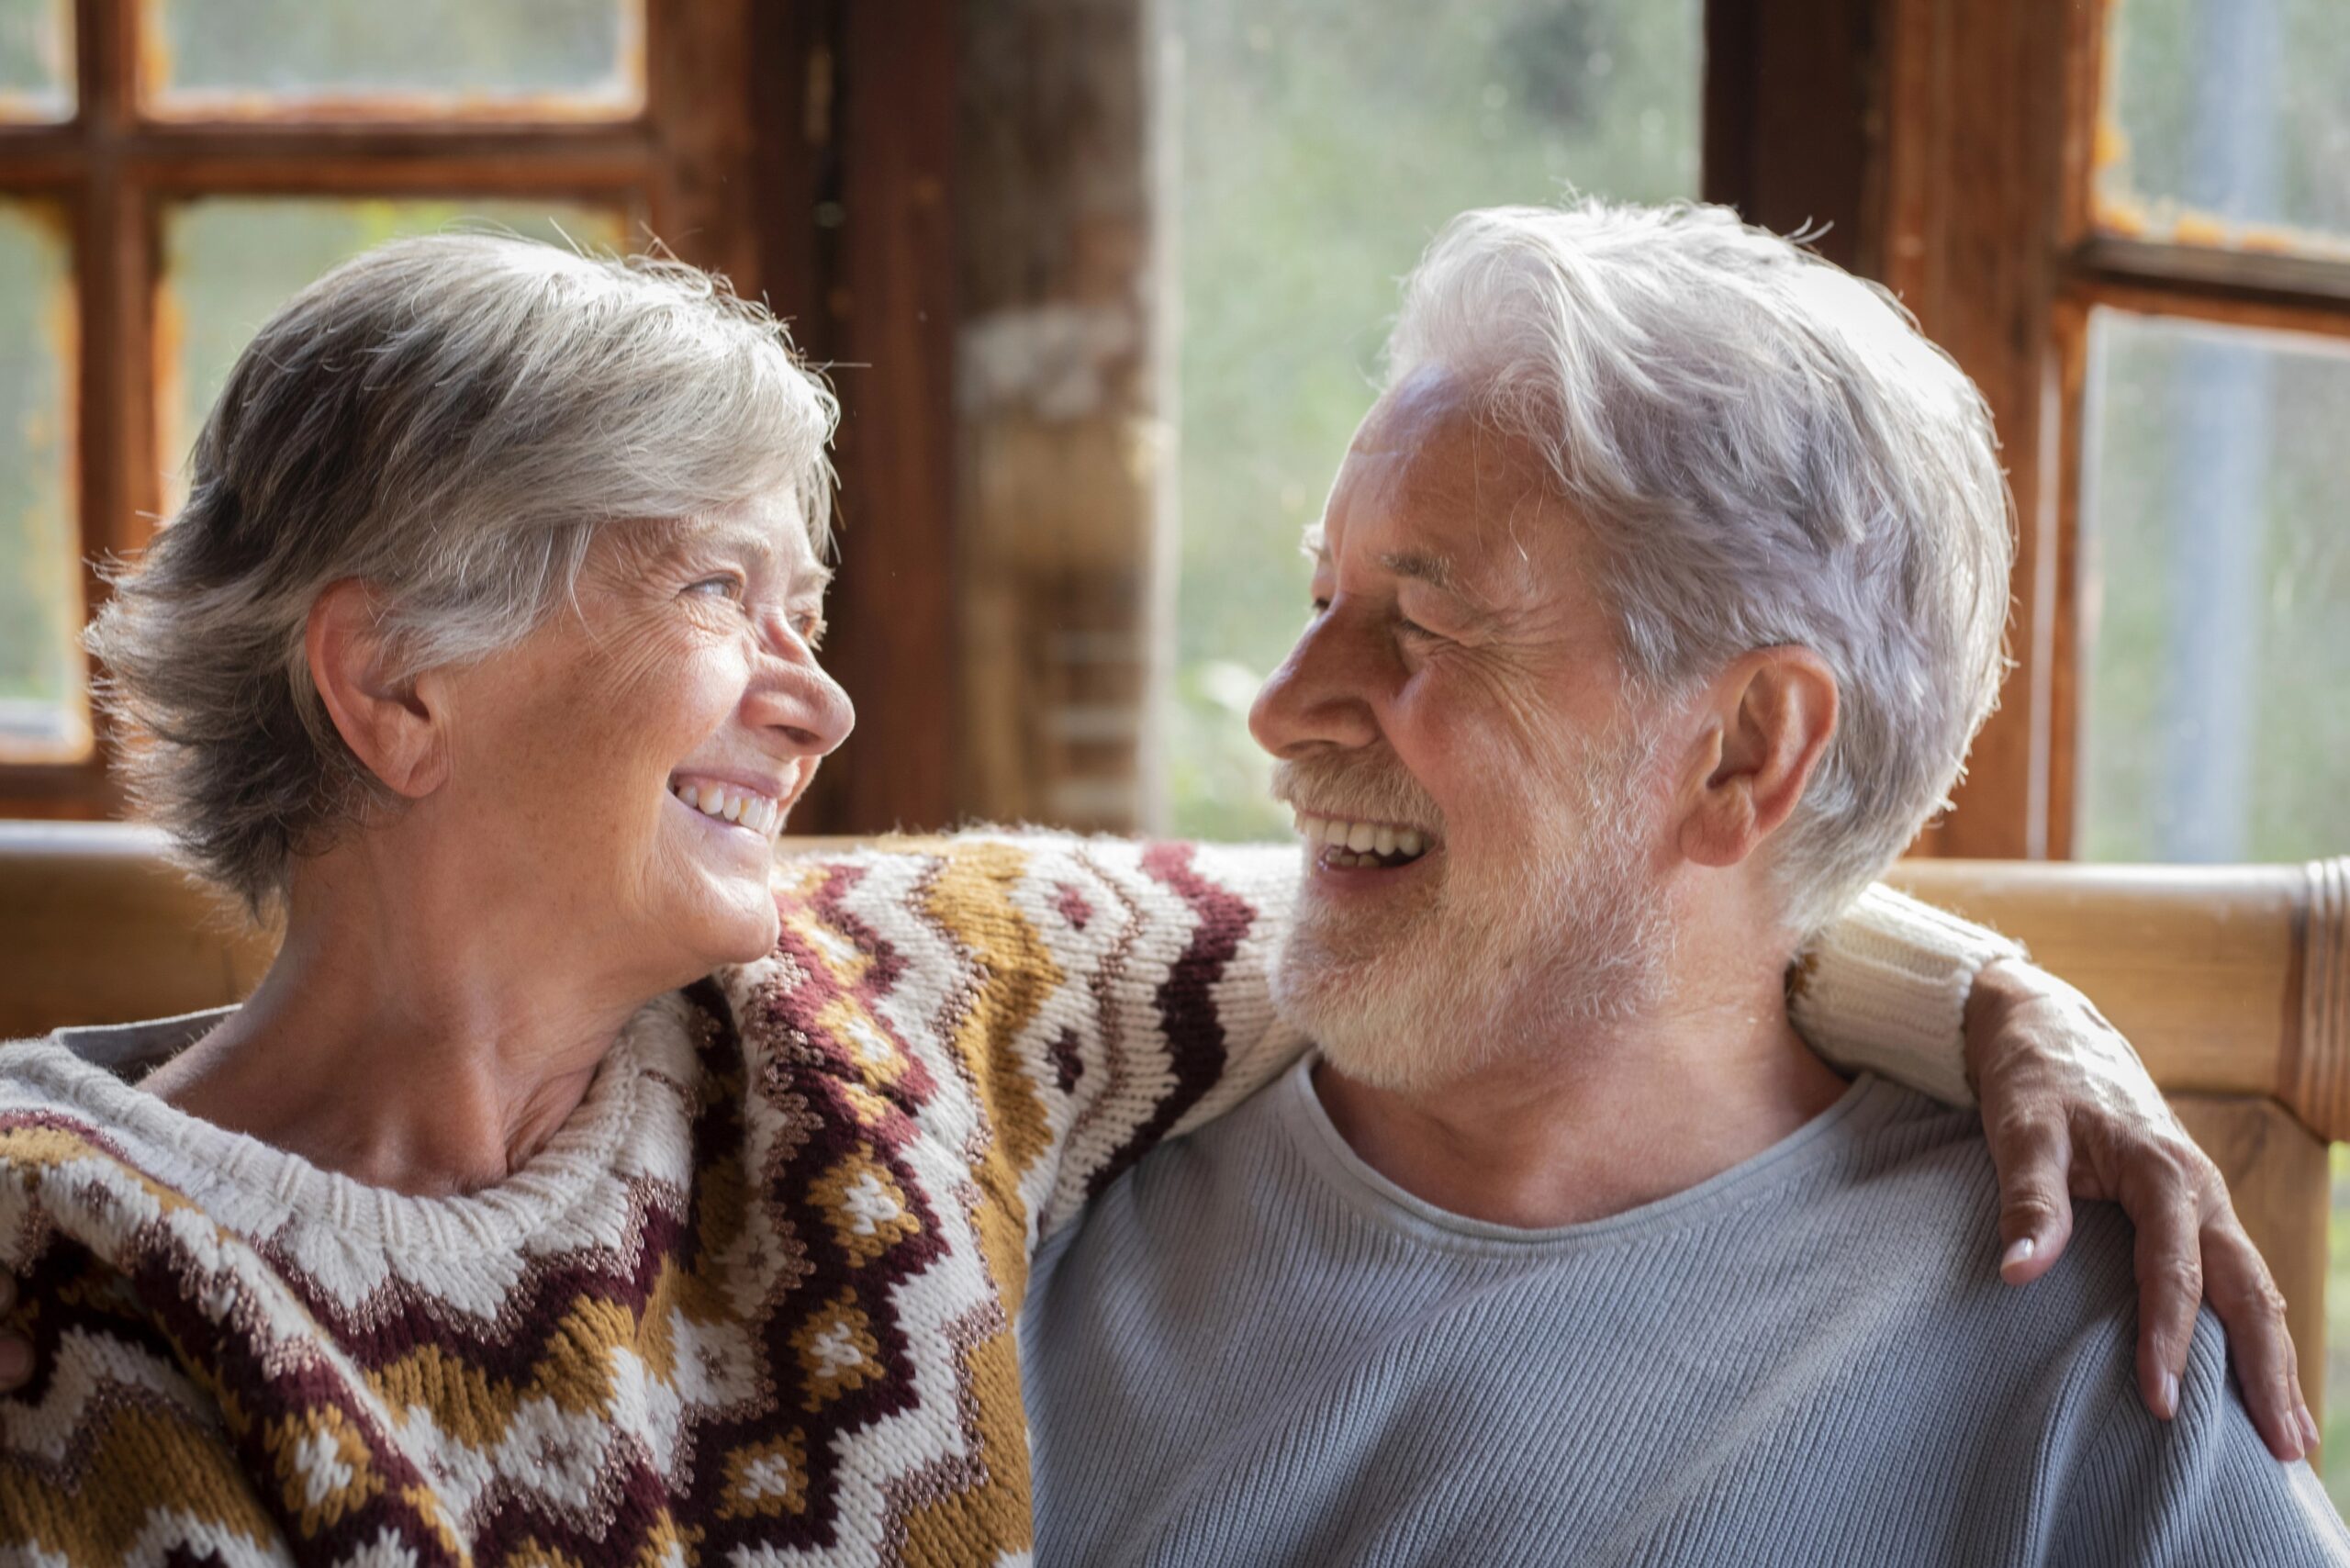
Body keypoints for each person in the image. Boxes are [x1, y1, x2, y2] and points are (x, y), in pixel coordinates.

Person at [0, 232, 2306, 1567]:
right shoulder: (88, 1276)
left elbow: (1619, 925)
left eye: (1420, 620)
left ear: (1746, 750)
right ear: (395, 684)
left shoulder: (912, 1028)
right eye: (722, 586)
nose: (821, 703)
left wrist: (1988, 991)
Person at [1023, 198, 2348, 1565]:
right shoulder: (1004, 1177)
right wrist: (1973, 989)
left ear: (1746, 751)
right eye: (1320, 602)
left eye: (1421, 627)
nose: (1284, 709)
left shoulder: (2088, 1376)